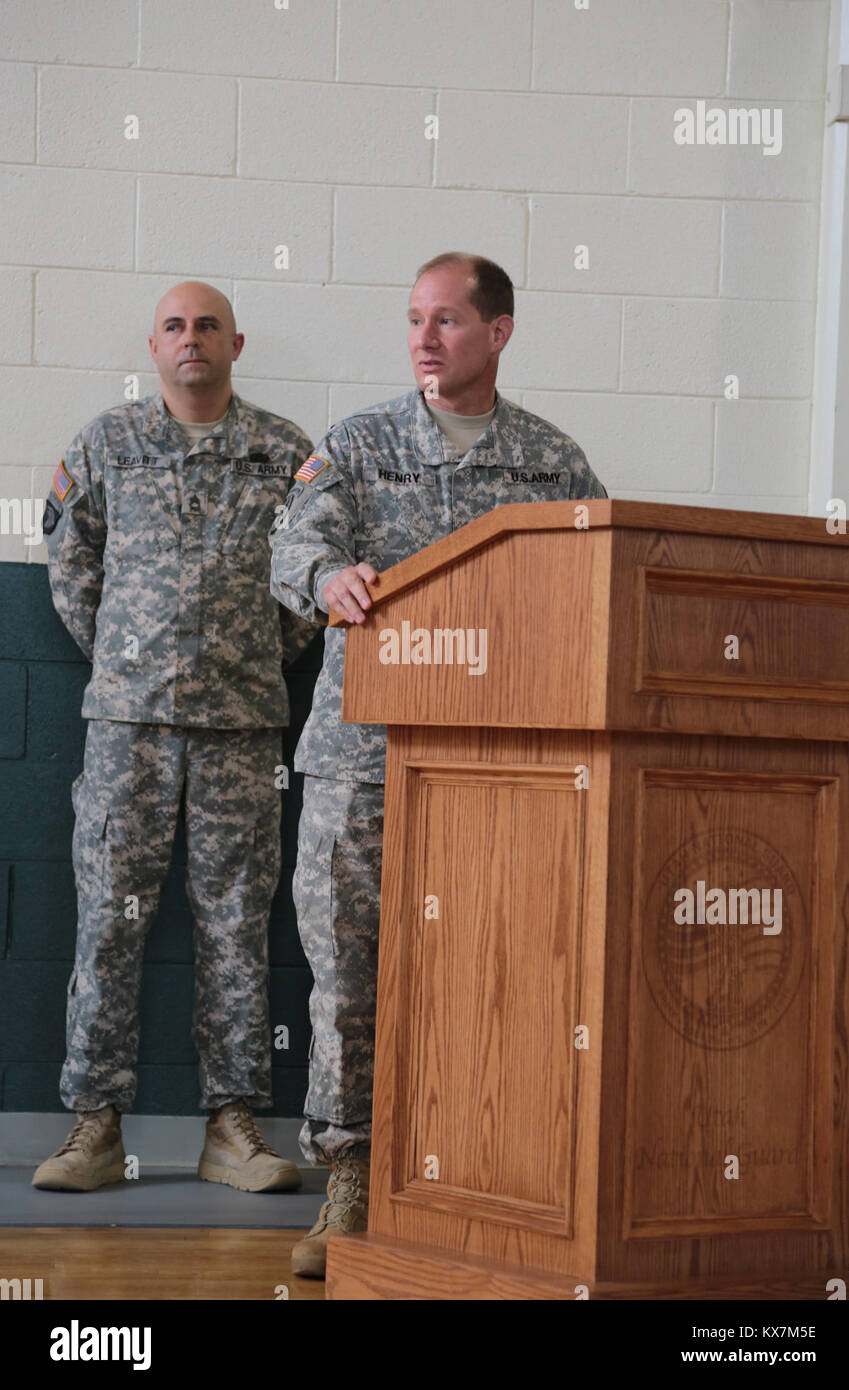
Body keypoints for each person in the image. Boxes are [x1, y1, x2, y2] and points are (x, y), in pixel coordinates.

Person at [269, 251, 607, 1274]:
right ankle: (346, 1182)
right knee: (348, 976)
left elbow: (593, 577)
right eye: (414, 318)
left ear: (499, 332)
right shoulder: (360, 443)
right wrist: (328, 577)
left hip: (499, 771)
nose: (424, 337)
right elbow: (293, 543)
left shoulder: (552, 462)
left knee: (491, 975)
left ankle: (479, 1177)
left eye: (448, 320)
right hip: (361, 759)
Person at [33, 281, 319, 1194]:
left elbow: (308, 585)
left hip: (243, 727)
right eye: (174, 327)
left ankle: (232, 1127)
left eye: (207, 326)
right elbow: (71, 566)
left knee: (238, 926)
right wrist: (128, 658)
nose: (190, 340)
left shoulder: (286, 453)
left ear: (237, 342)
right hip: (128, 729)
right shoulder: (106, 445)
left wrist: (251, 660)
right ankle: (95, 1128)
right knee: (108, 924)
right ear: (152, 347)